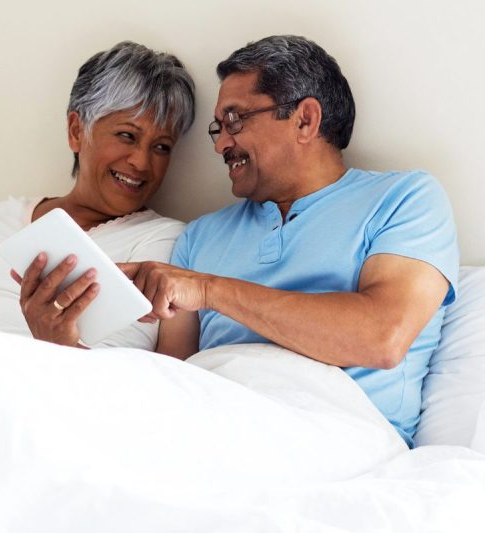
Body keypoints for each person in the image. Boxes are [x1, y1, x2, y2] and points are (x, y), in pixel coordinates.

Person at [119, 35, 459, 447]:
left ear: (305, 120)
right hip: (207, 425)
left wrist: (210, 290)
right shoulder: (200, 237)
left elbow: (382, 336)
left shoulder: (404, 199)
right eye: (219, 128)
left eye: (235, 120)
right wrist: (63, 344)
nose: (222, 144)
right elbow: (165, 387)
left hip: (336, 434)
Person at [0, 41, 196, 350]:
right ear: (77, 131)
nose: (142, 162)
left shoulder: (166, 241)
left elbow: (157, 384)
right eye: (127, 135)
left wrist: (61, 344)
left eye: (162, 147)